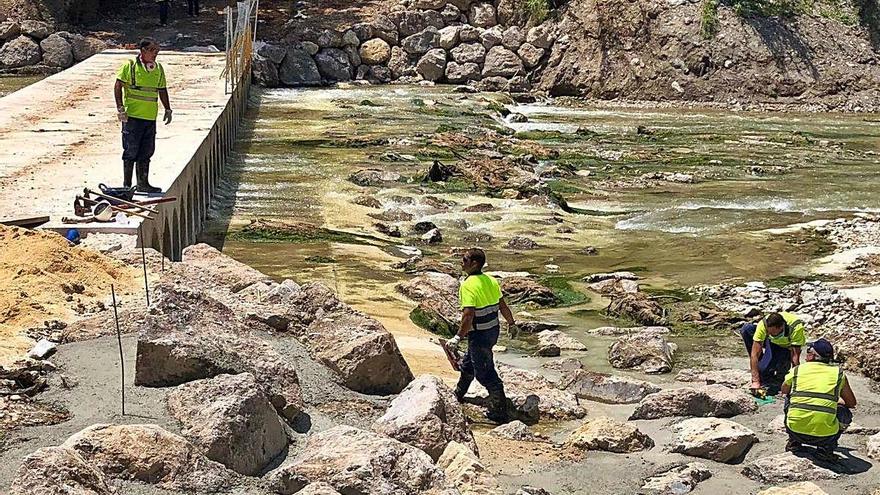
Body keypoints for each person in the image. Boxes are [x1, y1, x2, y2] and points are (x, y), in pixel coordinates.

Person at [447, 248, 516, 424]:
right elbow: (502, 305)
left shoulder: (468, 285)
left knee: (485, 374)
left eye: (464, 259)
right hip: (493, 331)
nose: (461, 262)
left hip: (479, 335)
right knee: (469, 365)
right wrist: (511, 323)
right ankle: (458, 395)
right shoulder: (490, 280)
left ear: (474, 263)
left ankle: (499, 412)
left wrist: (457, 337)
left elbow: (468, 315)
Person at [781, 338, 856, 462]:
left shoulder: (797, 370)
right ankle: (825, 450)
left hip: (795, 431)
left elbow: (784, 390)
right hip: (825, 437)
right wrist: (833, 401)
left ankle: (794, 442)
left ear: (812, 356)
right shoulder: (838, 374)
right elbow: (851, 403)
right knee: (844, 413)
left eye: (808, 351)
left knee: (789, 397)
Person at [114, 38, 173, 194]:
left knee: (146, 151)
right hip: (132, 116)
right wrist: (120, 107)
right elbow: (118, 85)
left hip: (149, 117)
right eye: (153, 50)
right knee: (130, 151)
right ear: (143, 51)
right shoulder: (130, 67)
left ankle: (143, 183)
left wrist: (168, 109)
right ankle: (127, 186)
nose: (155, 54)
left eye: (157, 51)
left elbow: (162, 89)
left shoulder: (158, 69)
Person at [740, 312, 806, 395]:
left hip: (786, 347)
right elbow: (754, 354)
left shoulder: (795, 327)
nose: (770, 334)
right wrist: (755, 381)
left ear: (781, 327)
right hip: (771, 342)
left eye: (773, 333)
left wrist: (795, 382)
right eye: (768, 332)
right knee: (747, 329)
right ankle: (762, 366)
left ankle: (777, 367)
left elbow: (795, 357)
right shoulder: (763, 325)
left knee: (780, 375)